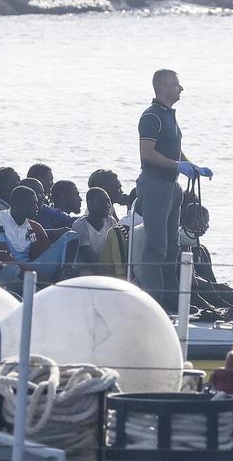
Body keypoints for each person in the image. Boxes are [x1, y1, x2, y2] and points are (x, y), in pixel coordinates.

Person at [136, 69, 212, 310]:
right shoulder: (152, 116)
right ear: (164, 87)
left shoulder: (169, 115)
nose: (181, 89)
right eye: (177, 85)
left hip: (172, 186)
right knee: (156, 244)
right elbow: (147, 154)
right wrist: (178, 166)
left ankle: (171, 298)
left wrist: (190, 165)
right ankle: (155, 299)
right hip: (155, 184)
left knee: (172, 246)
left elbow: (173, 149)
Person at [0, 185, 77, 288]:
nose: (37, 208)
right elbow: (1, 256)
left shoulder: (34, 227)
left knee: (71, 236)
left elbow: (44, 255)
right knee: (12, 269)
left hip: (31, 271)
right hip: (8, 273)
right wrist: (38, 278)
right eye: (32, 204)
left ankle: (64, 279)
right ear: (17, 205)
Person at [72, 187, 118, 264]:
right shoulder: (80, 225)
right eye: (101, 202)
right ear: (89, 203)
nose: (107, 205)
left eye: (108, 201)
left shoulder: (111, 221)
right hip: (87, 268)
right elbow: (88, 256)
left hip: (107, 266)